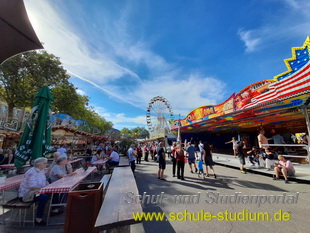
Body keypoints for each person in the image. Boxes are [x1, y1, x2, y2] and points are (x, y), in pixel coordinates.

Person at [18, 157, 49, 226]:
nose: (46, 164)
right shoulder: (32, 172)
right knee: (43, 197)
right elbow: (32, 187)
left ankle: (54, 210)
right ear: (39, 164)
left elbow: (42, 182)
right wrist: (45, 188)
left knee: (52, 194)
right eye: (45, 163)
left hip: (36, 192)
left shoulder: (41, 170)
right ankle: (38, 219)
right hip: (27, 194)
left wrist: (47, 186)